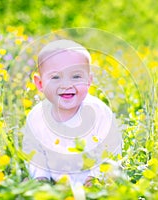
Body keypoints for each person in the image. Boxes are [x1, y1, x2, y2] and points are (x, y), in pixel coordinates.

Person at [22, 39, 122, 187]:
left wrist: (96, 177)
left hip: (96, 184)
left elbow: (111, 149)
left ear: (89, 81)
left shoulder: (99, 112)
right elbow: (33, 152)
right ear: (40, 84)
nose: (66, 85)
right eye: (55, 77)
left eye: (76, 76)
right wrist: (40, 178)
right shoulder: (36, 117)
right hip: (56, 184)